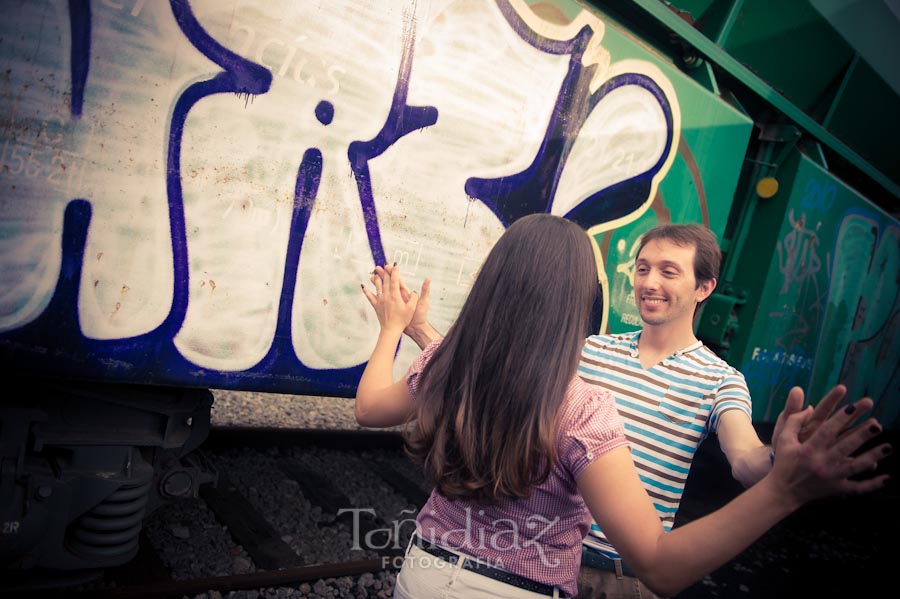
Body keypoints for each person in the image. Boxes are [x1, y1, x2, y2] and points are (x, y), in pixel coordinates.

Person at [355, 213, 890, 599]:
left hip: (619, 576)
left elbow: (745, 454)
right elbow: (502, 382)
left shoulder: (722, 381)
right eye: (642, 268)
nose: (649, 283)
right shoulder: (585, 354)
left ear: (705, 288)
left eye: (669, 272)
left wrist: (776, 467)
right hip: (547, 566)